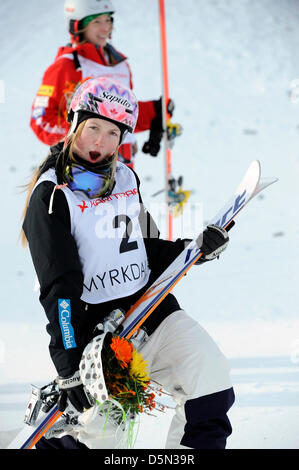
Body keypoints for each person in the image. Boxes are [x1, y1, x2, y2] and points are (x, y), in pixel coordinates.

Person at [21, 77, 235, 450]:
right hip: (98, 334)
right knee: (102, 439)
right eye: (92, 129)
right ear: (74, 126)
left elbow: (144, 244)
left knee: (212, 382)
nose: (100, 142)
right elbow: (60, 288)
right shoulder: (52, 196)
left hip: (151, 309)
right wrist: (69, 366)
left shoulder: (125, 177)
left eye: (111, 133)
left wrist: (194, 249)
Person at [30, 0, 175, 169]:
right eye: (96, 22)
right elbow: (41, 121)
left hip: (120, 169)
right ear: (77, 26)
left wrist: (155, 111)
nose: (105, 28)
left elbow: (121, 114)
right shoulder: (66, 66)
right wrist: (80, 134)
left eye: (108, 20)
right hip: (81, 167)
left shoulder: (121, 66)